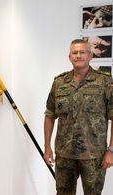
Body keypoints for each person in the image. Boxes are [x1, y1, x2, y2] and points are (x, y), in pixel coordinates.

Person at [44, 39, 113, 195]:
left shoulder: (104, 81)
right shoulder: (59, 82)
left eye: (82, 52)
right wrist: (47, 147)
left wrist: (111, 150)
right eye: (74, 53)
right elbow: (49, 115)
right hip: (64, 154)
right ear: (70, 57)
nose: (78, 55)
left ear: (90, 56)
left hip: (94, 155)